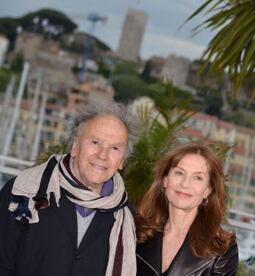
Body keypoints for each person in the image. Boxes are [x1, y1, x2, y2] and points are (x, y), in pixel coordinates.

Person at [0, 100, 137, 276]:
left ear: (122, 161)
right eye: (95, 142)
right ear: (75, 146)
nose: (102, 155)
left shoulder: (125, 219)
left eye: (115, 148)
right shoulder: (24, 192)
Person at [136, 142, 238, 275]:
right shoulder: (138, 230)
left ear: (208, 190)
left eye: (197, 178)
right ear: (165, 180)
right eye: (179, 173)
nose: (185, 184)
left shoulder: (222, 249)